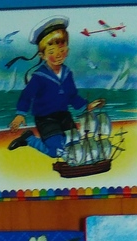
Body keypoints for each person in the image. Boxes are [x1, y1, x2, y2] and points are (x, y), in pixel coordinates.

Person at [7, 16, 102, 158]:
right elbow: (27, 96)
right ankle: (29, 139)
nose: (58, 55)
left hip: (64, 116)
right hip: (46, 119)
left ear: (67, 50)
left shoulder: (67, 73)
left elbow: (72, 96)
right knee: (56, 152)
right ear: (43, 55)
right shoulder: (39, 76)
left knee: (75, 145)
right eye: (51, 52)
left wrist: (87, 106)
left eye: (62, 49)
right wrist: (20, 113)